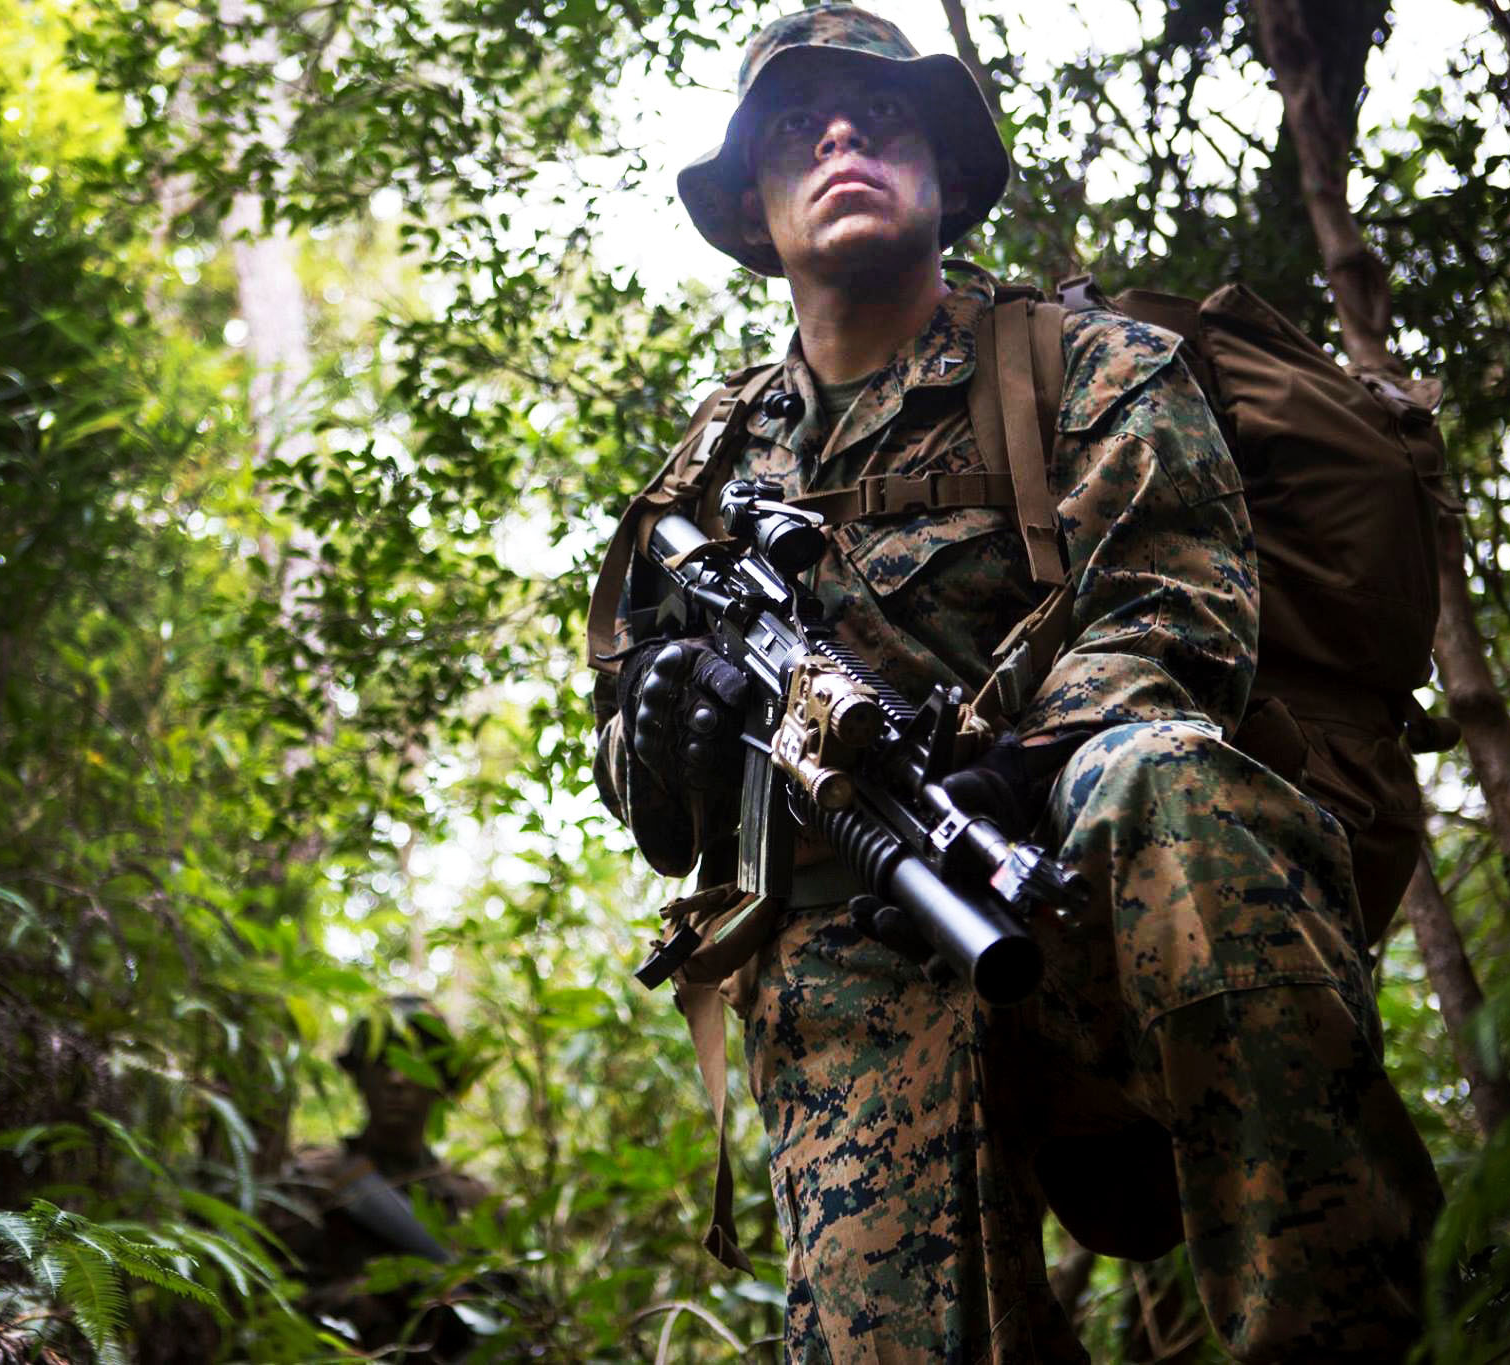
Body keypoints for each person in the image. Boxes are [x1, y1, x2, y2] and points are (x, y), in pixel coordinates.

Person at [587, 7, 1443, 1361]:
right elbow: (648, 803)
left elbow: (1175, 611)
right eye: (799, 128)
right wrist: (665, 721)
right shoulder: (705, 477)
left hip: (1089, 891)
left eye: (883, 116)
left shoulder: (1090, 368)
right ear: (755, 205)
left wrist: (1023, 769)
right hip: (852, 956)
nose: (843, 138)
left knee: (1167, 776)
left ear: (948, 176)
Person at [265, 996, 489, 1361]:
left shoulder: (475, 1204)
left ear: (440, 1082)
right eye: (383, 1062)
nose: (397, 1079)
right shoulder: (315, 1182)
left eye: (412, 1063)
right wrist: (361, 1305)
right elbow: (272, 1302)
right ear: (359, 1076)